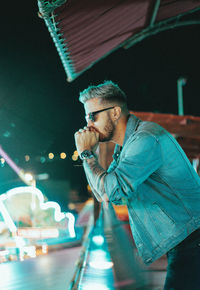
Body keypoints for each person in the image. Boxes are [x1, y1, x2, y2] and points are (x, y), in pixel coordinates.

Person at [74, 80, 200, 289]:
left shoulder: (146, 138)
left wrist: (87, 154)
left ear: (114, 112)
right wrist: (88, 154)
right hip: (187, 241)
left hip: (193, 240)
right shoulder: (124, 148)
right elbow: (103, 193)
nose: (88, 125)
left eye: (92, 116)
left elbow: (111, 190)